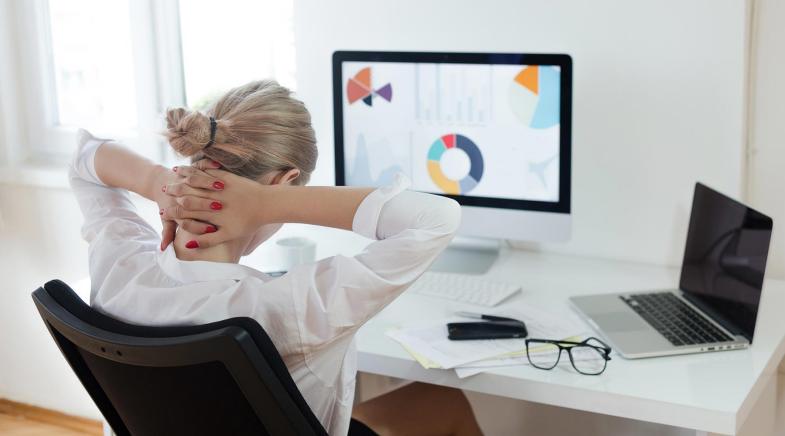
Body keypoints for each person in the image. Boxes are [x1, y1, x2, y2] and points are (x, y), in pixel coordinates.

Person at [70, 80, 483, 436]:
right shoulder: (290, 307)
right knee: (446, 403)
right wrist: (268, 202)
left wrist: (157, 182)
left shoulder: (118, 264)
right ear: (285, 184)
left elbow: (84, 158)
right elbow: (437, 218)